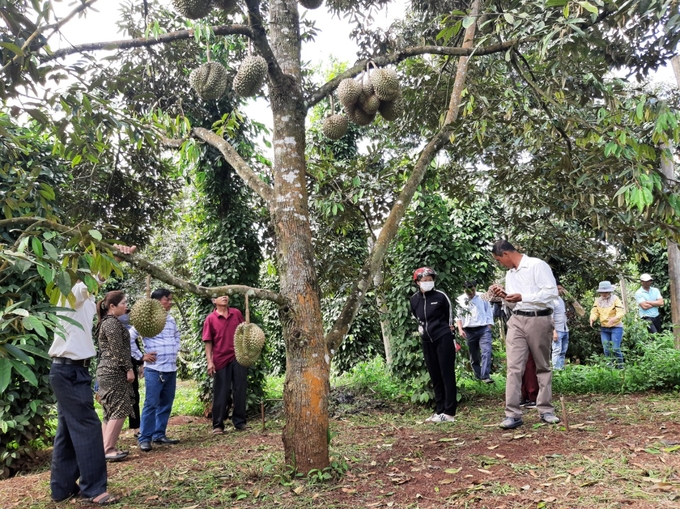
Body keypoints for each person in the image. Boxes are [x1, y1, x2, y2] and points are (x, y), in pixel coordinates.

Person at [48, 281, 116, 505]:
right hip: (68, 371)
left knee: (67, 430)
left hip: (74, 369)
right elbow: (86, 280)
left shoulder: (83, 301)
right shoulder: (70, 291)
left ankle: (62, 487)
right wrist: (100, 261)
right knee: (88, 426)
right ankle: (93, 489)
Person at [490, 240, 560, 429]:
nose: (500, 264)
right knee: (513, 367)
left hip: (539, 319)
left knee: (542, 366)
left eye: (498, 260)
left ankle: (545, 410)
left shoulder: (537, 265)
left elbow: (551, 293)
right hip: (517, 320)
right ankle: (512, 414)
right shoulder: (510, 274)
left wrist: (524, 297)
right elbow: (514, 302)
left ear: (505, 254)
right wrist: (504, 296)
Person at [131, 289, 181, 452]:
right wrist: (140, 356)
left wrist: (175, 347)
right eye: (168, 299)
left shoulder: (171, 319)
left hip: (170, 368)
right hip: (154, 369)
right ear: (158, 301)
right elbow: (129, 337)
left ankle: (159, 434)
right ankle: (145, 437)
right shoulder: (146, 319)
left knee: (166, 403)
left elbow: (176, 335)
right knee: (151, 404)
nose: (170, 302)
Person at [410, 267, 458, 423]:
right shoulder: (414, 299)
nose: (428, 283)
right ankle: (440, 410)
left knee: (447, 374)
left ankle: (450, 412)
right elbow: (416, 318)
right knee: (435, 375)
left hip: (443, 337)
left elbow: (449, 318)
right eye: (424, 281)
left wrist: (452, 337)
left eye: (430, 280)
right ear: (417, 282)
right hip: (426, 340)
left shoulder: (441, 296)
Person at [94, 291, 134, 462]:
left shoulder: (108, 323)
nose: (126, 306)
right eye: (123, 303)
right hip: (113, 371)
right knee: (119, 408)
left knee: (109, 410)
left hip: (108, 371)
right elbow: (118, 349)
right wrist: (128, 368)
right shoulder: (111, 324)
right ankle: (108, 449)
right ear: (112, 306)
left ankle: (104, 447)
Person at [202, 295, 248, 433]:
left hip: (238, 357)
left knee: (240, 389)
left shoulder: (236, 313)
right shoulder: (210, 319)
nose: (224, 297)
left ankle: (239, 422)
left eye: (226, 295)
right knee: (221, 392)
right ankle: (218, 425)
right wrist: (210, 362)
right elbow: (208, 342)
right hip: (220, 359)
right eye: (219, 296)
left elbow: (244, 333)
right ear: (213, 301)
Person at [456, 280, 494, 384]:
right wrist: (460, 329)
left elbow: (489, 311)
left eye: (472, 290)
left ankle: (486, 376)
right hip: (468, 330)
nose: (471, 293)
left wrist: (489, 325)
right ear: (464, 290)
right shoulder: (459, 299)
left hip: (483, 329)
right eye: (468, 291)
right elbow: (458, 316)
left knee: (486, 351)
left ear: (475, 288)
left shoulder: (483, 296)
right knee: (474, 355)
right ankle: (478, 376)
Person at [590, 281, 625, 368]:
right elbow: (595, 311)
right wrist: (592, 318)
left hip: (616, 327)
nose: (604, 294)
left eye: (606, 292)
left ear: (609, 291)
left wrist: (615, 318)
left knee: (615, 348)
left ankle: (621, 368)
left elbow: (621, 312)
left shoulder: (615, 299)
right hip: (604, 328)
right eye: (602, 292)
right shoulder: (598, 301)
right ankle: (610, 369)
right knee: (606, 349)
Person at [551, 282, 570, 369]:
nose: (560, 290)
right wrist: (554, 332)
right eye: (558, 289)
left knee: (563, 351)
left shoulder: (561, 300)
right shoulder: (551, 301)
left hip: (565, 328)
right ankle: (556, 370)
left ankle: (561, 369)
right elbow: (550, 318)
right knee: (556, 350)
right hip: (557, 329)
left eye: (561, 289)